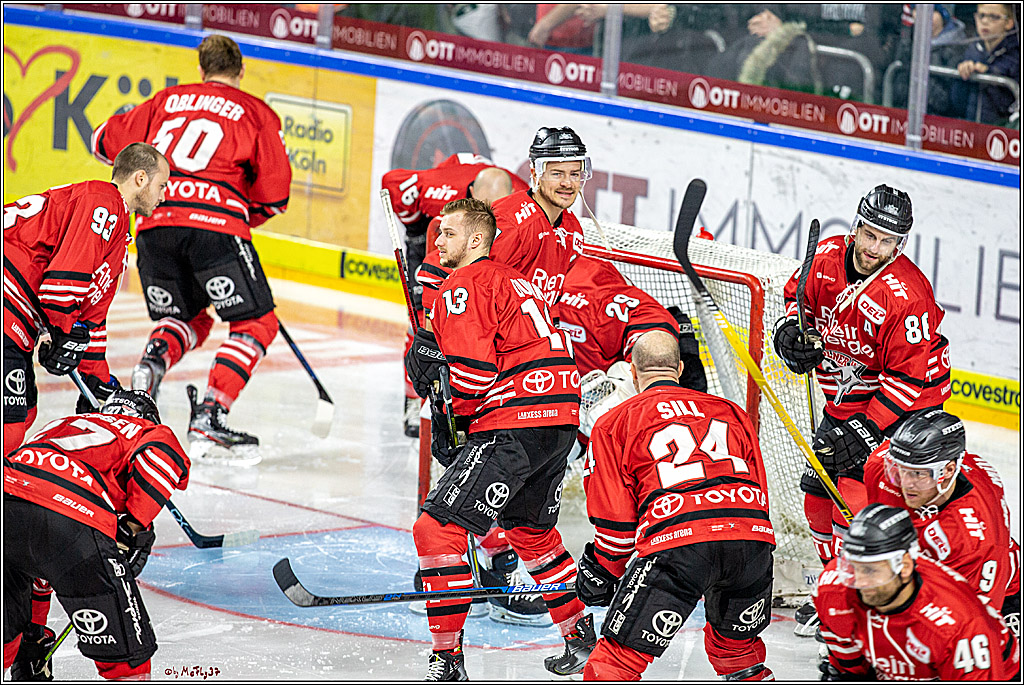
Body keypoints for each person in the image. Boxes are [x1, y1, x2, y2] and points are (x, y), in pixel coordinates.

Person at [406, 198, 592, 680]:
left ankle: (446, 658)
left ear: (475, 240)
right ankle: (580, 634)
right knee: (532, 535)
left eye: (446, 233)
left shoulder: (462, 284)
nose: (437, 241)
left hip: (518, 417)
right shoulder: (516, 279)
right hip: (560, 418)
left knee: (437, 528)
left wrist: (447, 405)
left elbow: (472, 377)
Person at [91, 34, 292, 465]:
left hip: (153, 226)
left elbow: (103, 140)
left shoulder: (166, 100)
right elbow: (275, 194)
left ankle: (147, 373)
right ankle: (210, 414)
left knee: (186, 320)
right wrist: (237, 218)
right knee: (256, 323)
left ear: (200, 70)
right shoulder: (256, 112)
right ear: (240, 71)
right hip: (217, 229)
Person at [772, 183, 951, 637]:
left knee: (851, 497)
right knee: (817, 493)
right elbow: (796, 310)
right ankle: (836, 585)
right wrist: (789, 336)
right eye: (869, 234)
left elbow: (911, 379)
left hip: (906, 409)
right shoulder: (828, 257)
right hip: (849, 395)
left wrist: (863, 431)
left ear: (900, 243)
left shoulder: (907, 293)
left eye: (887, 241)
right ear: (856, 226)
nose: (875, 248)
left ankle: (862, 594)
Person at [577, 330, 776, 681]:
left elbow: (617, 524)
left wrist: (602, 570)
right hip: (752, 539)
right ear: (681, 368)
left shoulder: (613, 423)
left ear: (633, 373)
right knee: (737, 650)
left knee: (617, 660)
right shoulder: (731, 411)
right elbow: (758, 489)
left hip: (679, 545)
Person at [3, 389, 190, 680]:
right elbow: (164, 455)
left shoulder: (60, 425)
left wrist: (35, 634)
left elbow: (39, 559)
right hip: (73, 512)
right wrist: (134, 526)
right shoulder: (143, 429)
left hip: (8, 497)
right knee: (128, 664)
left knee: (5, 641)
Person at [3, 143, 170, 456]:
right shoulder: (101, 200)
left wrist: (99, 381)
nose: (164, 194)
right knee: (9, 425)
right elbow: (59, 289)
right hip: (8, 299)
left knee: (24, 413)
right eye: (161, 184)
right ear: (139, 179)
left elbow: (90, 321)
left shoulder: (118, 237)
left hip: (16, 313)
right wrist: (64, 334)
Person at [382, 154, 528, 437]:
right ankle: (414, 401)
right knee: (424, 325)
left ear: (510, 197)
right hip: (437, 241)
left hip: (485, 256)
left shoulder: (522, 204)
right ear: (470, 192)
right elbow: (392, 184)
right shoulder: (440, 190)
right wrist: (414, 227)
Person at [815, 503, 1020, 680]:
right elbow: (849, 672)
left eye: (871, 570)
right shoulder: (833, 590)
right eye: (853, 567)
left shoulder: (959, 623)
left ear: (904, 567)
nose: (858, 581)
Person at [862, 409, 1021, 637]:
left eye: (917, 475)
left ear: (946, 471)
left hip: (993, 592)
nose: (906, 484)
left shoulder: (975, 536)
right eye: (901, 471)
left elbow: (972, 624)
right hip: (925, 565)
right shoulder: (883, 468)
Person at [952, 4, 1020, 125]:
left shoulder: (1016, 56)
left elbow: (1009, 106)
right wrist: (962, 77)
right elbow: (957, 103)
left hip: (1001, 132)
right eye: (981, 16)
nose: (985, 21)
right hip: (970, 128)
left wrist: (989, 75)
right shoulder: (971, 50)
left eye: (994, 17)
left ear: (1009, 23)